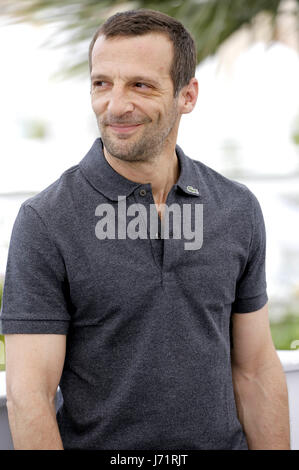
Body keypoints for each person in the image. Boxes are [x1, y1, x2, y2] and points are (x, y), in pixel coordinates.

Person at [0, 9, 290, 450]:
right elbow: (30, 396)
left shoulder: (237, 209)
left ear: (187, 95)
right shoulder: (46, 221)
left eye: (140, 85)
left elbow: (255, 370)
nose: (115, 105)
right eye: (101, 83)